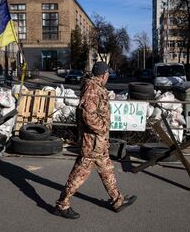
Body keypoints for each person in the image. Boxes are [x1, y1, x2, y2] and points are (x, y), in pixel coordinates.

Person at [54, 61, 136, 219]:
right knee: (79, 174)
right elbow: (88, 115)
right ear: (104, 74)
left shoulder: (97, 87)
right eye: (107, 75)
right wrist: (103, 128)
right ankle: (62, 205)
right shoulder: (92, 88)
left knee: (107, 170)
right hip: (92, 143)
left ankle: (117, 200)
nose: (108, 77)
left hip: (99, 143)